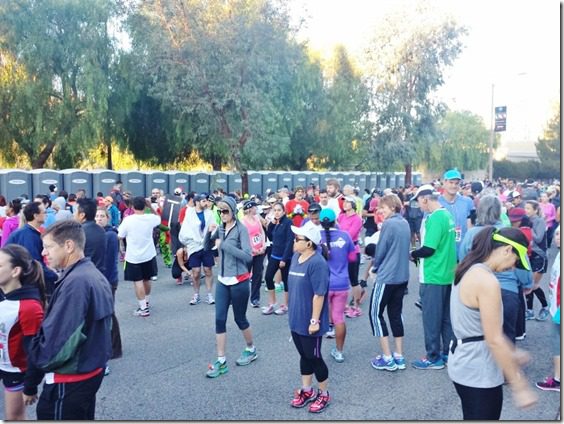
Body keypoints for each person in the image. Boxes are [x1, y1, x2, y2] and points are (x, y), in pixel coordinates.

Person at [448, 226, 538, 419]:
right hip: (479, 370)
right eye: (515, 260)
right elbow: (494, 339)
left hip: (463, 361)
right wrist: (519, 385)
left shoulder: (468, 267)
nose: (513, 266)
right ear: (507, 250)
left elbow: (476, 324)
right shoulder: (487, 281)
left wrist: (511, 352)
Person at [29, 220, 113, 420]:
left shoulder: (76, 283)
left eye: (48, 247)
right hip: (89, 370)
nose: (44, 253)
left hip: (71, 379)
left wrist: (35, 357)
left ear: (68, 246)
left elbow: (57, 345)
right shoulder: (90, 274)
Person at [203, 196, 256, 378]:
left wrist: (223, 245)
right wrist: (209, 234)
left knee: (240, 319)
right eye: (220, 211)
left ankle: (251, 349)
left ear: (233, 211)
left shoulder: (241, 230)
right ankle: (221, 361)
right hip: (223, 280)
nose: (222, 214)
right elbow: (207, 248)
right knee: (219, 320)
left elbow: (248, 256)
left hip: (239, 280)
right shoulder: (220, 228)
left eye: (225, 211)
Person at [410, 184, 456, 370]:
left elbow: (429, 249)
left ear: (425, 199)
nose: (419, 206)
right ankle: (447, 353)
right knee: (445, 318)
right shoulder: (447, 215)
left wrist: (413, 254)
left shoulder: (435, 218)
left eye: (419, 202)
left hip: (433, 275)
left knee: (431, 319)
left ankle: (433, 357)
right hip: (446, 273)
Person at [287, 222, 331, 413]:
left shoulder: (318, 263)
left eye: (298, 239)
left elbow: (319, 294)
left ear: (310, 243)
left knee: (315, 358)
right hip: (296, 318)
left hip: (310, 321)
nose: (294, 241)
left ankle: (324, 394)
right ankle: (307, 391)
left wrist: (314, 321)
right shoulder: (296, 257)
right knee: (304, 356)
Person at [0, 244, 45, 420]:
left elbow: (35, 350)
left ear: (15, 271)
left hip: (15, 370)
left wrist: (30, 386)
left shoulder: (29, 307)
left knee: (14, 417)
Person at [368, 194, 411, 372]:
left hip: (387, 276)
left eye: (382, 207)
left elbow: (381, 250)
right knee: (395, 313)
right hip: (402, 276)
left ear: (392, 207)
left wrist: (374, 268)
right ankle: (399, 355)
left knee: (375, 314)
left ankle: (387, 357)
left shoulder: (389, 224)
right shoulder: (405, 223)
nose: (380, 211)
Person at [319, 208, 355, 363]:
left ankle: (316, 352)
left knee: (319, 318)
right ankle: (339, 352)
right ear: (336, 221)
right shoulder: (345, 235)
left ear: (320, 222)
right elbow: (353, 258)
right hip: (341, 283)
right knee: (339, 318)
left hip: (323, 284)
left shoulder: (317, 237)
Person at [118, 196, 161, 317]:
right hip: (149, 253)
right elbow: (158, 218)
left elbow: (120, 235)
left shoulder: (128, 220)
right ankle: (146, 303)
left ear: (132, 206)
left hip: (133, 256)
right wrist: (151, 206)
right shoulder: (151, 218)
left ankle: (143, 308)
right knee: (147, 279)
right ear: (145, 205)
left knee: (138, 281)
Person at [6, 201, 58, 297]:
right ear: (35, 216)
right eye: (44, 212)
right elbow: (34, 263)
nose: (46, 214)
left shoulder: (28, 232)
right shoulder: (29, 235)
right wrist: (54, 276)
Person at [95, 207, 123, 367]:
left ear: (108, 218)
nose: (99, 219)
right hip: (102, 278)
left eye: (102, 216)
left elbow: (108, 259)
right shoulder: (99, 234)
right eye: (97, 216)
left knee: (109, 312)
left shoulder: (111, 235)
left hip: (108, 279)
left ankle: (114, 347)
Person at [536, 225, 560, 392]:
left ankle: (558, 380)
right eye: (557, 233)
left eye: (561, 234)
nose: (557, 236)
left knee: (557, 343)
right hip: (555, 306)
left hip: (559, 309)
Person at [179, 193, 215, 305]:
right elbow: (185, 230)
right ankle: (196, 294)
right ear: (197, 202)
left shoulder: (209, 213)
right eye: (204, 201)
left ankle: (209, 294)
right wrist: (189, 241)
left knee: (208, 270)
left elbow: (214, 226)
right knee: (196, 272)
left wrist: (211, 233)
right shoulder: (189, 213)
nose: (206, 203)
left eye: (207, 201)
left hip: (206, 245)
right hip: (194, 246)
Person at [262, 202, 294, 315]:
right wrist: (271, 224)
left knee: (286, 281)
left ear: (284, 211)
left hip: (285, 257)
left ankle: (286, 305)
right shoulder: (276, 222)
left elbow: (290, 242)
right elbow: (270, 236)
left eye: (279, 210)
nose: (277, 212)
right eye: (275, 210)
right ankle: (272, 303)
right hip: (274, 255)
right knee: (268, 277)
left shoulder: (288, 223)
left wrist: (284, 259)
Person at [438, 169, 475, 258]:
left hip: (463, 253)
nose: (454, 186)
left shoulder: (467, 202)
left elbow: (473, 226)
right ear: (444, 182)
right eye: (451, 182)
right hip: (443, 253)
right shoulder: (436, 202)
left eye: (456, 183)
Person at [338, 196, 363, 318]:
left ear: (353, 204)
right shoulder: (341, 216)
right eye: (344, 202)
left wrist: (338, 237)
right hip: (341, 250)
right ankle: (344, 305)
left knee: (353, 280)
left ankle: (356, 306)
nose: (344, 204)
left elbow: (350, 234)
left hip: (352, 250)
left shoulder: (357, 219)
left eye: (347, 202)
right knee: (343, 278)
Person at [524, 200, 549, 321]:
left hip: (539, 256)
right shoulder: (526, 220)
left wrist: (529, 228)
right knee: (529, 284)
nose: (526, 211)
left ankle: (545, 307)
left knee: (533, 285)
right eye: (525, 208)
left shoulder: (539, 221)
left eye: (528, 208)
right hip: (529, 255)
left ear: (535, 210)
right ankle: (530, 311)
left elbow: (538, 238)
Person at [241, 200, 266, 308]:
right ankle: (239, 297)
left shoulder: (257, 218)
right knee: (244, 275)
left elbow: (261, 232)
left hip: (260, 250)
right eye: (255, 207)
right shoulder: (242, 221)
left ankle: (255, 298)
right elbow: (243, 238)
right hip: (249, 252)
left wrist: (264, 245)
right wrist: (252, 249)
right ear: (250, 209)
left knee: (258, 275)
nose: (257, 209)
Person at [75, 198, 106, 276]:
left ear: (82, 215)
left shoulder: (78, 232)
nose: (73, 214)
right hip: (99, 274)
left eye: (75, 211)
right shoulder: (101, 231)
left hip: (83, 275)